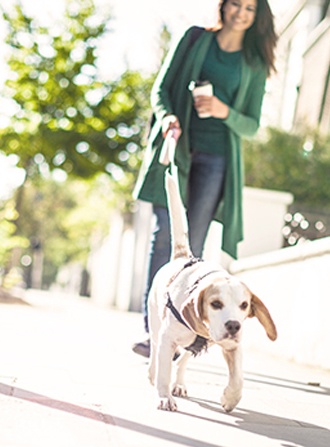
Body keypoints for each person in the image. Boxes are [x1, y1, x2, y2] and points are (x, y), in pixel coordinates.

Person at [131, 0, 277, 357]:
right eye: (236, 4)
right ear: (223, 6)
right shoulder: (195, 39)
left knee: (190, 247)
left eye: (249, 8)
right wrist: (167, 117)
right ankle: (154, 332)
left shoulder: (254, 64)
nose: (241, 12)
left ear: (257, 16)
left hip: (216, 160)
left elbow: (252, 125)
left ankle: (185, 331)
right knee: (163, 234)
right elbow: (161, 90)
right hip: (178, 151)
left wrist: (223, 110)